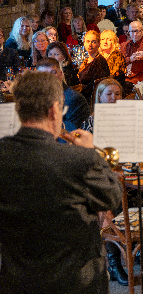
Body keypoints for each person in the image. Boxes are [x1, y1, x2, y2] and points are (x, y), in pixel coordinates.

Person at [0, 70, 121, 293]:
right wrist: (91, 153)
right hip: (75, 281)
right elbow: (111, 196)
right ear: (54, 110)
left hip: (17, 280)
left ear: (18, 109)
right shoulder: (77, 159)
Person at [36, 58, 90, 132]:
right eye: (44, 75)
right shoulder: (36, 97)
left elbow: (73, 131)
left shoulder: (74, 99)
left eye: (53, 72)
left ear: (61, 74)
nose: (49, 77)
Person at [78, 30, 110, 101]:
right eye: (88, 41)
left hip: (92, 98)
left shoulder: (100, 61)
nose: (90, 44)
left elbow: (98, 84)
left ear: (99, 44)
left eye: (94, 42)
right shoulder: (86, 61)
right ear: (84, 43)